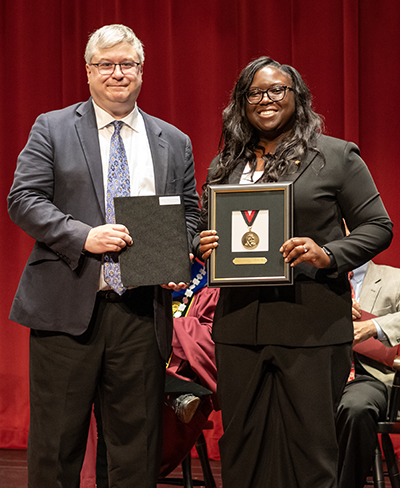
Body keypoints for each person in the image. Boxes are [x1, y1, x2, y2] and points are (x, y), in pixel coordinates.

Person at [7, 24, 199, 488]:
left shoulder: (172, 140)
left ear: (141, 70)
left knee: (135, 451)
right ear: (89, 71)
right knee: (56, 447)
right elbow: (24, 199)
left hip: (140, 311)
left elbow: (189, 214)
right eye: (106, 65)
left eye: (127, 64)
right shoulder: (52, 127)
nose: (118, 73)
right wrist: (82, 235)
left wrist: (176, 257)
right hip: (66, 308)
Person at [194, 56, 393, 488]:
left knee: (311, 450)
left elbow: (378, 226)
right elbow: (206, 229)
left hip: (311, 327)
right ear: (241, 103)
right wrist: (201, 244)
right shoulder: (224, 165)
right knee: (242, 446)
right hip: (239, 327)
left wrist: (327, 253)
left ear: (297, 97)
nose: (266, 100)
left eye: (277, 90)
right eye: (254, 92)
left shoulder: (336, 156)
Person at [336, 260, 400, 488]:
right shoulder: (315, 283)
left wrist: (374, 326)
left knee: (356, 406)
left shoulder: (394, 278)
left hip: (370, 378)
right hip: (320, 374)